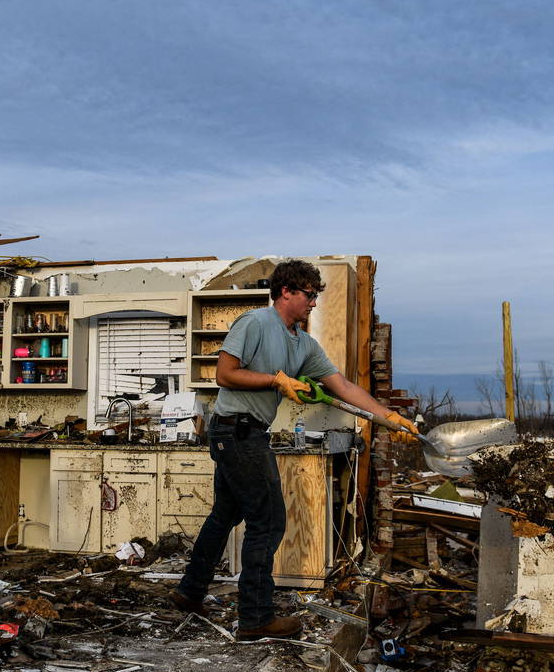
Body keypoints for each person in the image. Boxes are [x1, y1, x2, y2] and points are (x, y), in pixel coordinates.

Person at [171, 260, 419, 640]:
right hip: (235, 431)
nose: (314, 303)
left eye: (316, 296)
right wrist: (276, 381)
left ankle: (189, 592)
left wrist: (389, 417)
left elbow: (342, 386)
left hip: (247, 432)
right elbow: (224, 374)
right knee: (268, 521)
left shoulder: (303, 344)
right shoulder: (255, 323)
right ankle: (255, 618)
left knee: (225, 514)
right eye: (310, 295)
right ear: (286, 292)